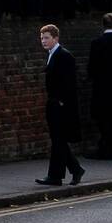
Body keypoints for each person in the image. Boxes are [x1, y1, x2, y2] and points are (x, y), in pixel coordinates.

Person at [37, 24, 84, 186]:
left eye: (46, 38)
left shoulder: (64, 56)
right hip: (54, 103)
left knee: (59, 140)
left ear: (56, 38)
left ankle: (57, 176)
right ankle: (74, 170)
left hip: (61, 105)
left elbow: (70, 83)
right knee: (58, 140)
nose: (43, 41)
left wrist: (61, 102)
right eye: (42, 38)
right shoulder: (52, 54)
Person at [88, 13, 112, 159]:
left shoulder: (97, 43)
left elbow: (92, 68)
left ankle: (105, 148)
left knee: (103, 119)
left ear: (103, 24)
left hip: (102, 88)